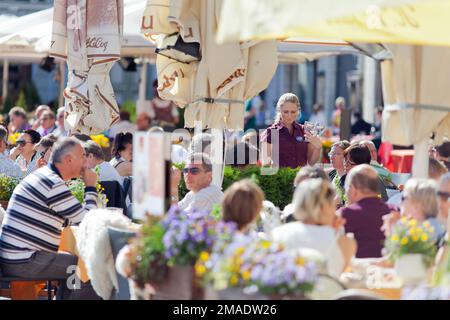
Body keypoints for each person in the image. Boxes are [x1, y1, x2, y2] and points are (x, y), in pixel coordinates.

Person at [0, 137, 99, 300]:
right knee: (91, 269)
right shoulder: (52, 183)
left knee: (74, 269)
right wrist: (90, 187)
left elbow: (68, 219)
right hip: (24, 260)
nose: (86, 162)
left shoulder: (44, 177)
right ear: (69, 160)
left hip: (16, 257)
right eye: (83, 156)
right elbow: (89, 223)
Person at [271, 178, 357, 278]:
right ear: (327, 207)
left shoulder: (277, 234)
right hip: (329, 293)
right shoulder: (346, 243)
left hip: (285, 292)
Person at [339, 164, 396, 258]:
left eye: (346, 188)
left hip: (356, 270)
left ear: (353, 189)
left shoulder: (344, 216)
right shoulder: (394, 212)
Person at [260, 93, 322, 168]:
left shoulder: (305, 131)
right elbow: (266, 165)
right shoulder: (270, 133)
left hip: (301, 178)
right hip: (279, 178)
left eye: (293, 112)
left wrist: (318, 148)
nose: (289, 115)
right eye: (286, 112)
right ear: (279, 110)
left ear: (298, 111)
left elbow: (311, 162)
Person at [383, 179, 446, 243]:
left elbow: (400, 252)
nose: (400, 202)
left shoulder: (421, 232)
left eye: (403, 198)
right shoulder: (433, 226)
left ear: (417, 204)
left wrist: (391, 232)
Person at [328, 140, 351, 204]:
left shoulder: (350, 179)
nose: (332, 157)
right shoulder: (331, 175)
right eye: (331, 153)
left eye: (337, 154)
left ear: (347, 157)